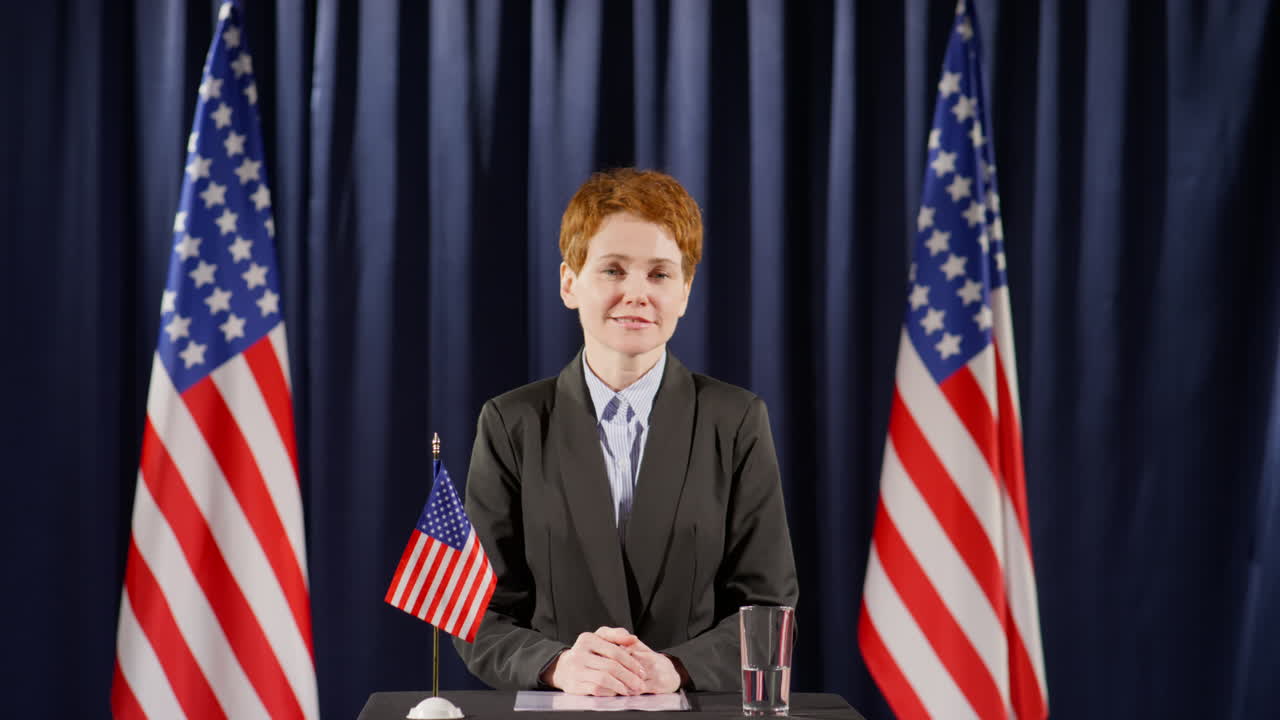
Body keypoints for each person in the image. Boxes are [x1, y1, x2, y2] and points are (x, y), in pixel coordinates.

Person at [454, 168, 798, 696]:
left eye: (659, 274)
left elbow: (768, 607)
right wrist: (556, 664)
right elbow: (476, 613)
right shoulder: (511, 422)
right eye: (613, 270)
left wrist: (677, 667)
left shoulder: (735, 420)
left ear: (685, 291)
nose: (635, 293)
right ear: (570, 281)